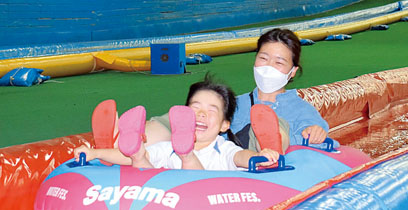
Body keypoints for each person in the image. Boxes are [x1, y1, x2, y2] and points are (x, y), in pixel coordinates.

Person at [142, 28, 329, 152]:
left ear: (292, 71)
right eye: (263, 58)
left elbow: (320, 138)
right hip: (220, 159)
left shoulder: (301, 110)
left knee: (273, 123)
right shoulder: (236, 103)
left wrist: (314, 133)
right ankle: (132, 138)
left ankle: (271, 139)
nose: (268, 66)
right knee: (196, 113)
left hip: (260, 161)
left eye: (279, 62)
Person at [75, 75, 281, 170]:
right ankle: (133, 145)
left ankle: (187, 155)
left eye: (211, 110)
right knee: (140, 159)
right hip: (171, 204)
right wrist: (96, 153)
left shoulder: (223, 149)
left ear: (224, 125)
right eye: (195, 108)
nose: (201, 114)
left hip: (207, 199)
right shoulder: (169, 147)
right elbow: (126, 158)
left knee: (184, 160)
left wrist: (257, 157)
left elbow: (240, 157)